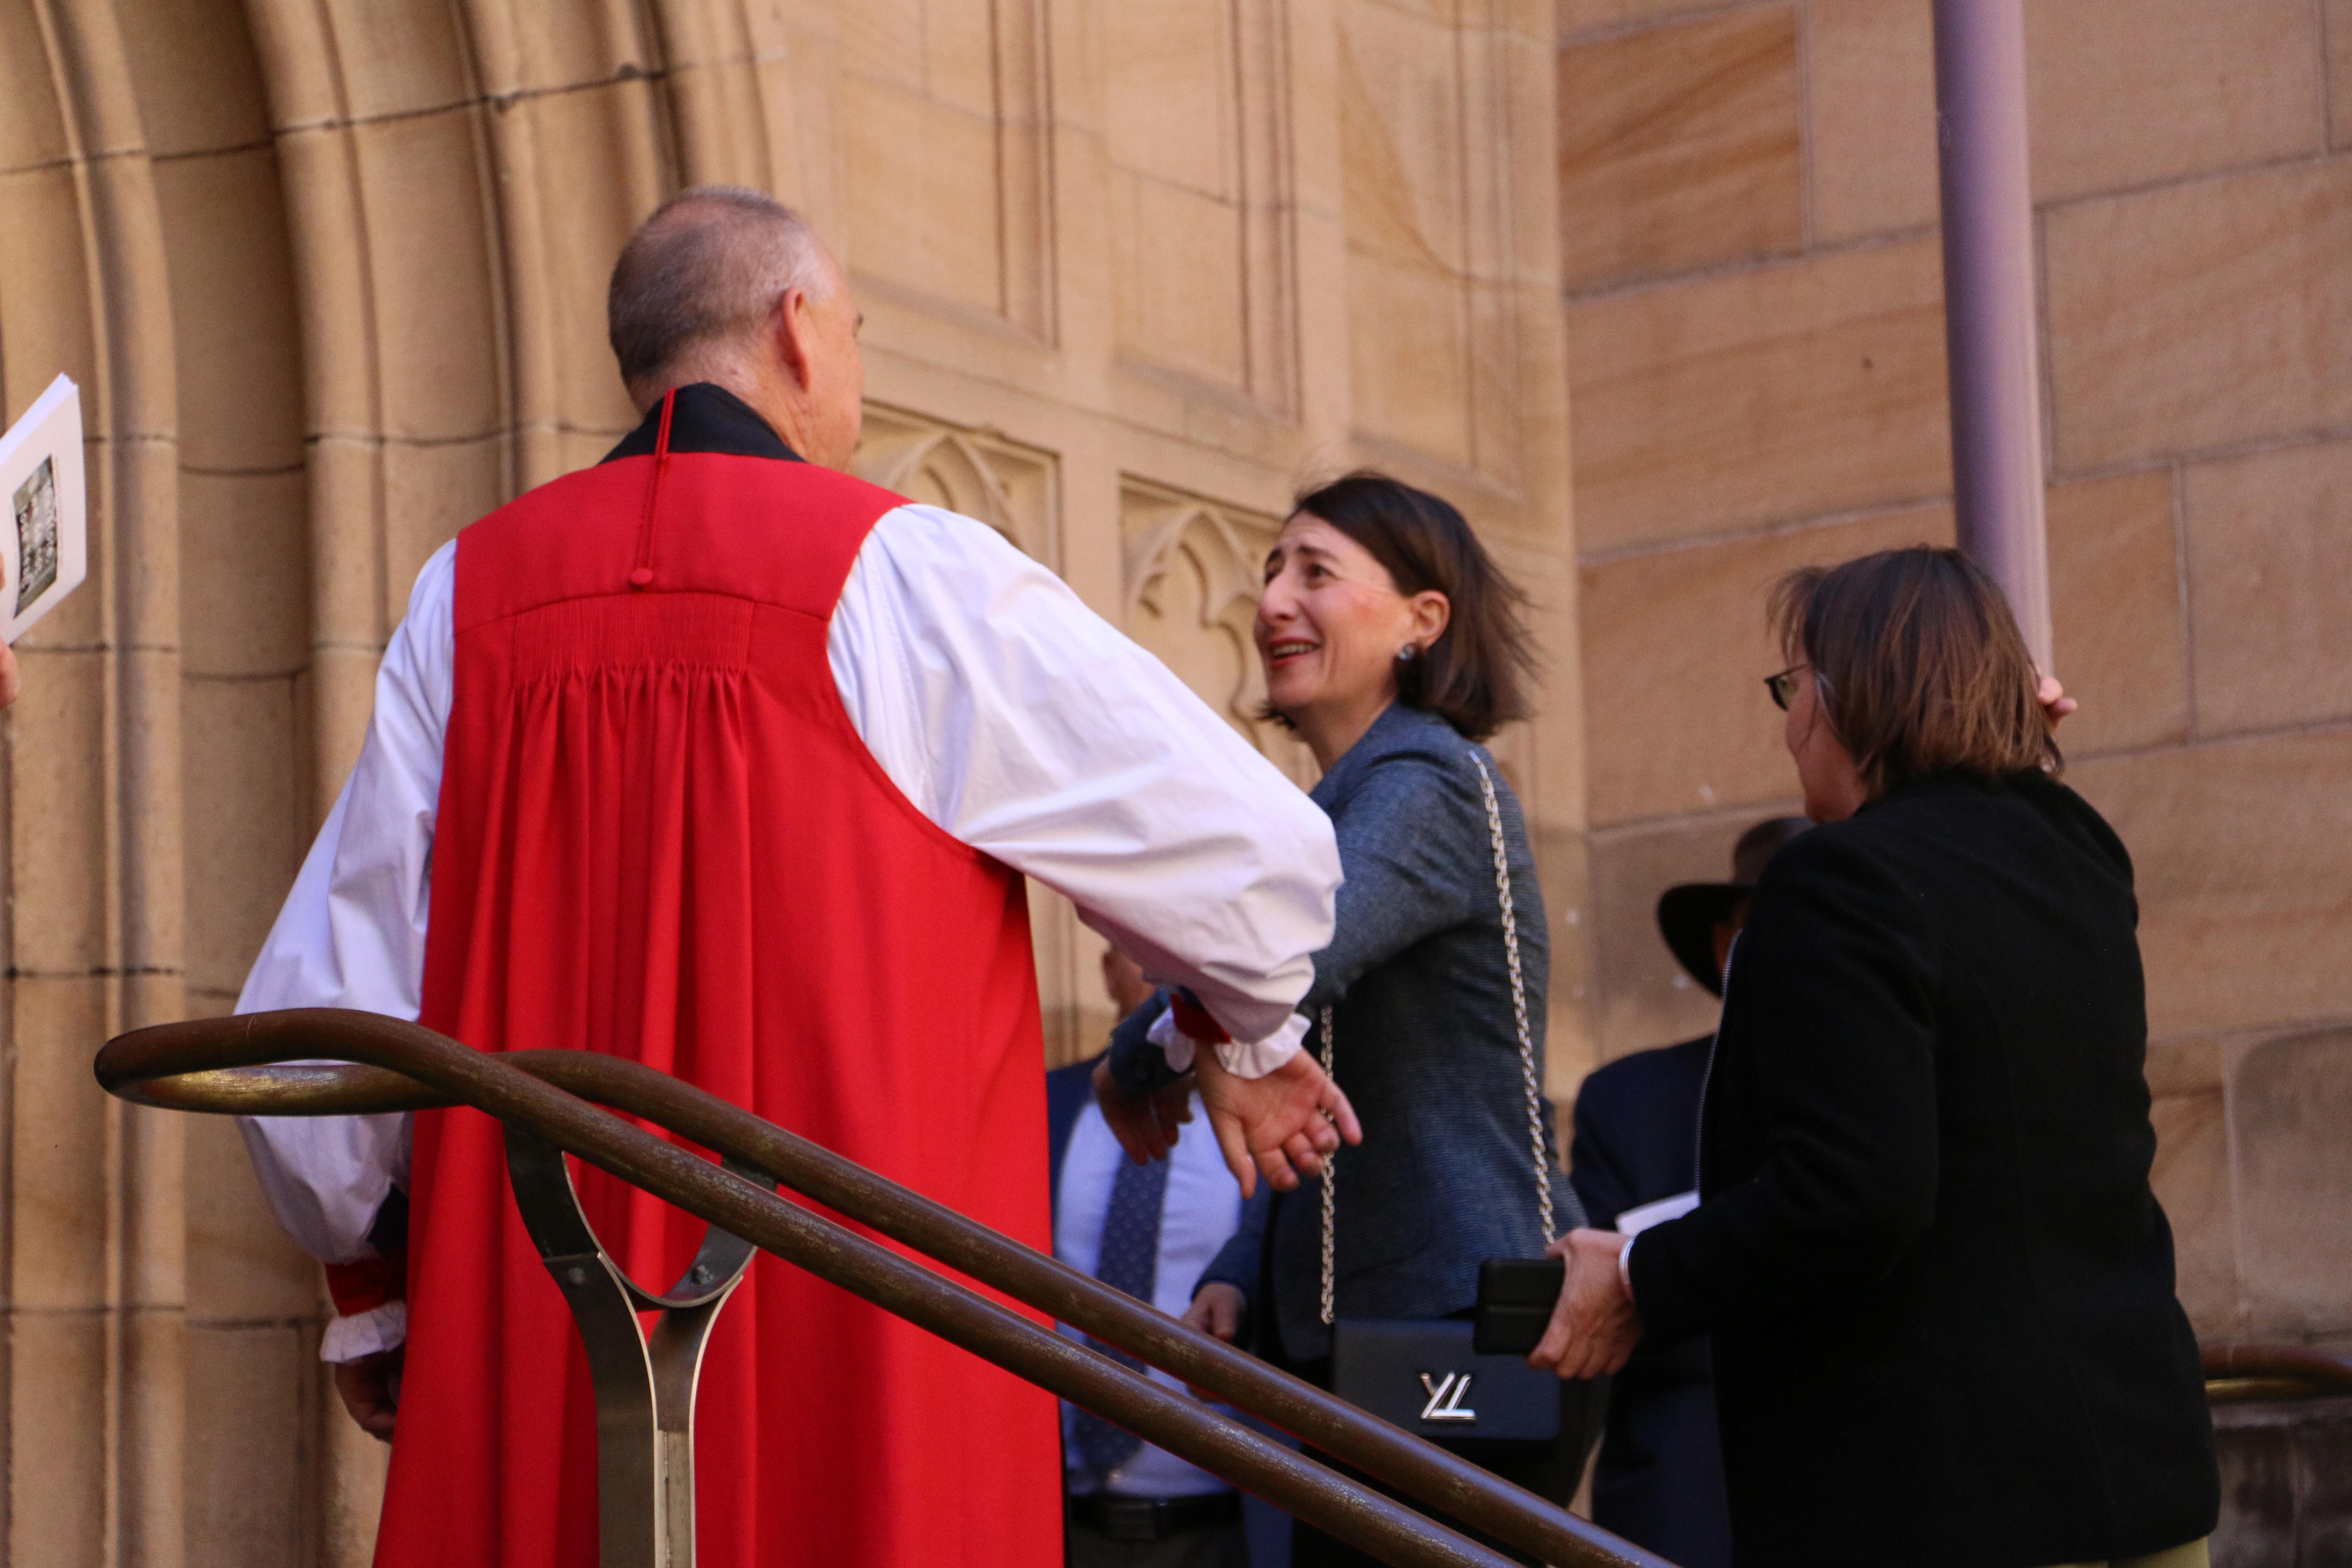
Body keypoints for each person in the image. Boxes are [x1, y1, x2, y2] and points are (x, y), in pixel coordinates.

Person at [230, 185, 1364, 1568]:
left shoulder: (463, 600)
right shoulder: (909, 573)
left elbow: (314, 1025)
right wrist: (1228, 1025)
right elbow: (1256, 857)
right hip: (867, 1340)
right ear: (801, 332)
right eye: (862, 334)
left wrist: (374, 1290)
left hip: (545, 1327)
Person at [1532, 547, 2219, 1568]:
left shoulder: (1841, 880)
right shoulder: (2075, 851)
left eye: (1793, 683)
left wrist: (1637, 1269)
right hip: (2135, 1466)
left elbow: (1852, 1190)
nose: (1787, 721)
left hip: (1948, 1497)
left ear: (1851, 695)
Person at [1102, 472, 1595, 1568]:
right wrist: (1240, 1259)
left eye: (1314, 571)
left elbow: (1280, 974)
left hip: (1460, 1320)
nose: (1274, 599)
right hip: (1381, 1329)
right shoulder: (1342, 802)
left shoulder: (1428, 779)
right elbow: (1323, 1078)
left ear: (1424, 621)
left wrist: (1128, 1063)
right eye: (1271, 570)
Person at [1566, 814, 1809, 1568]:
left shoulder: (1916, 1093)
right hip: (1689, 1496)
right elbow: (1592, 1313)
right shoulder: (1633, 1100)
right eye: (1770, 926)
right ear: (1725, 946)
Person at [1050, 951, 1266, 1568]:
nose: (1165, 980)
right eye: (1145, 953)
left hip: (1231, 1529)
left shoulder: (1267, 1122)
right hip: (1063, 1527)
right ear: (1107, 969)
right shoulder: (1047, 1106)